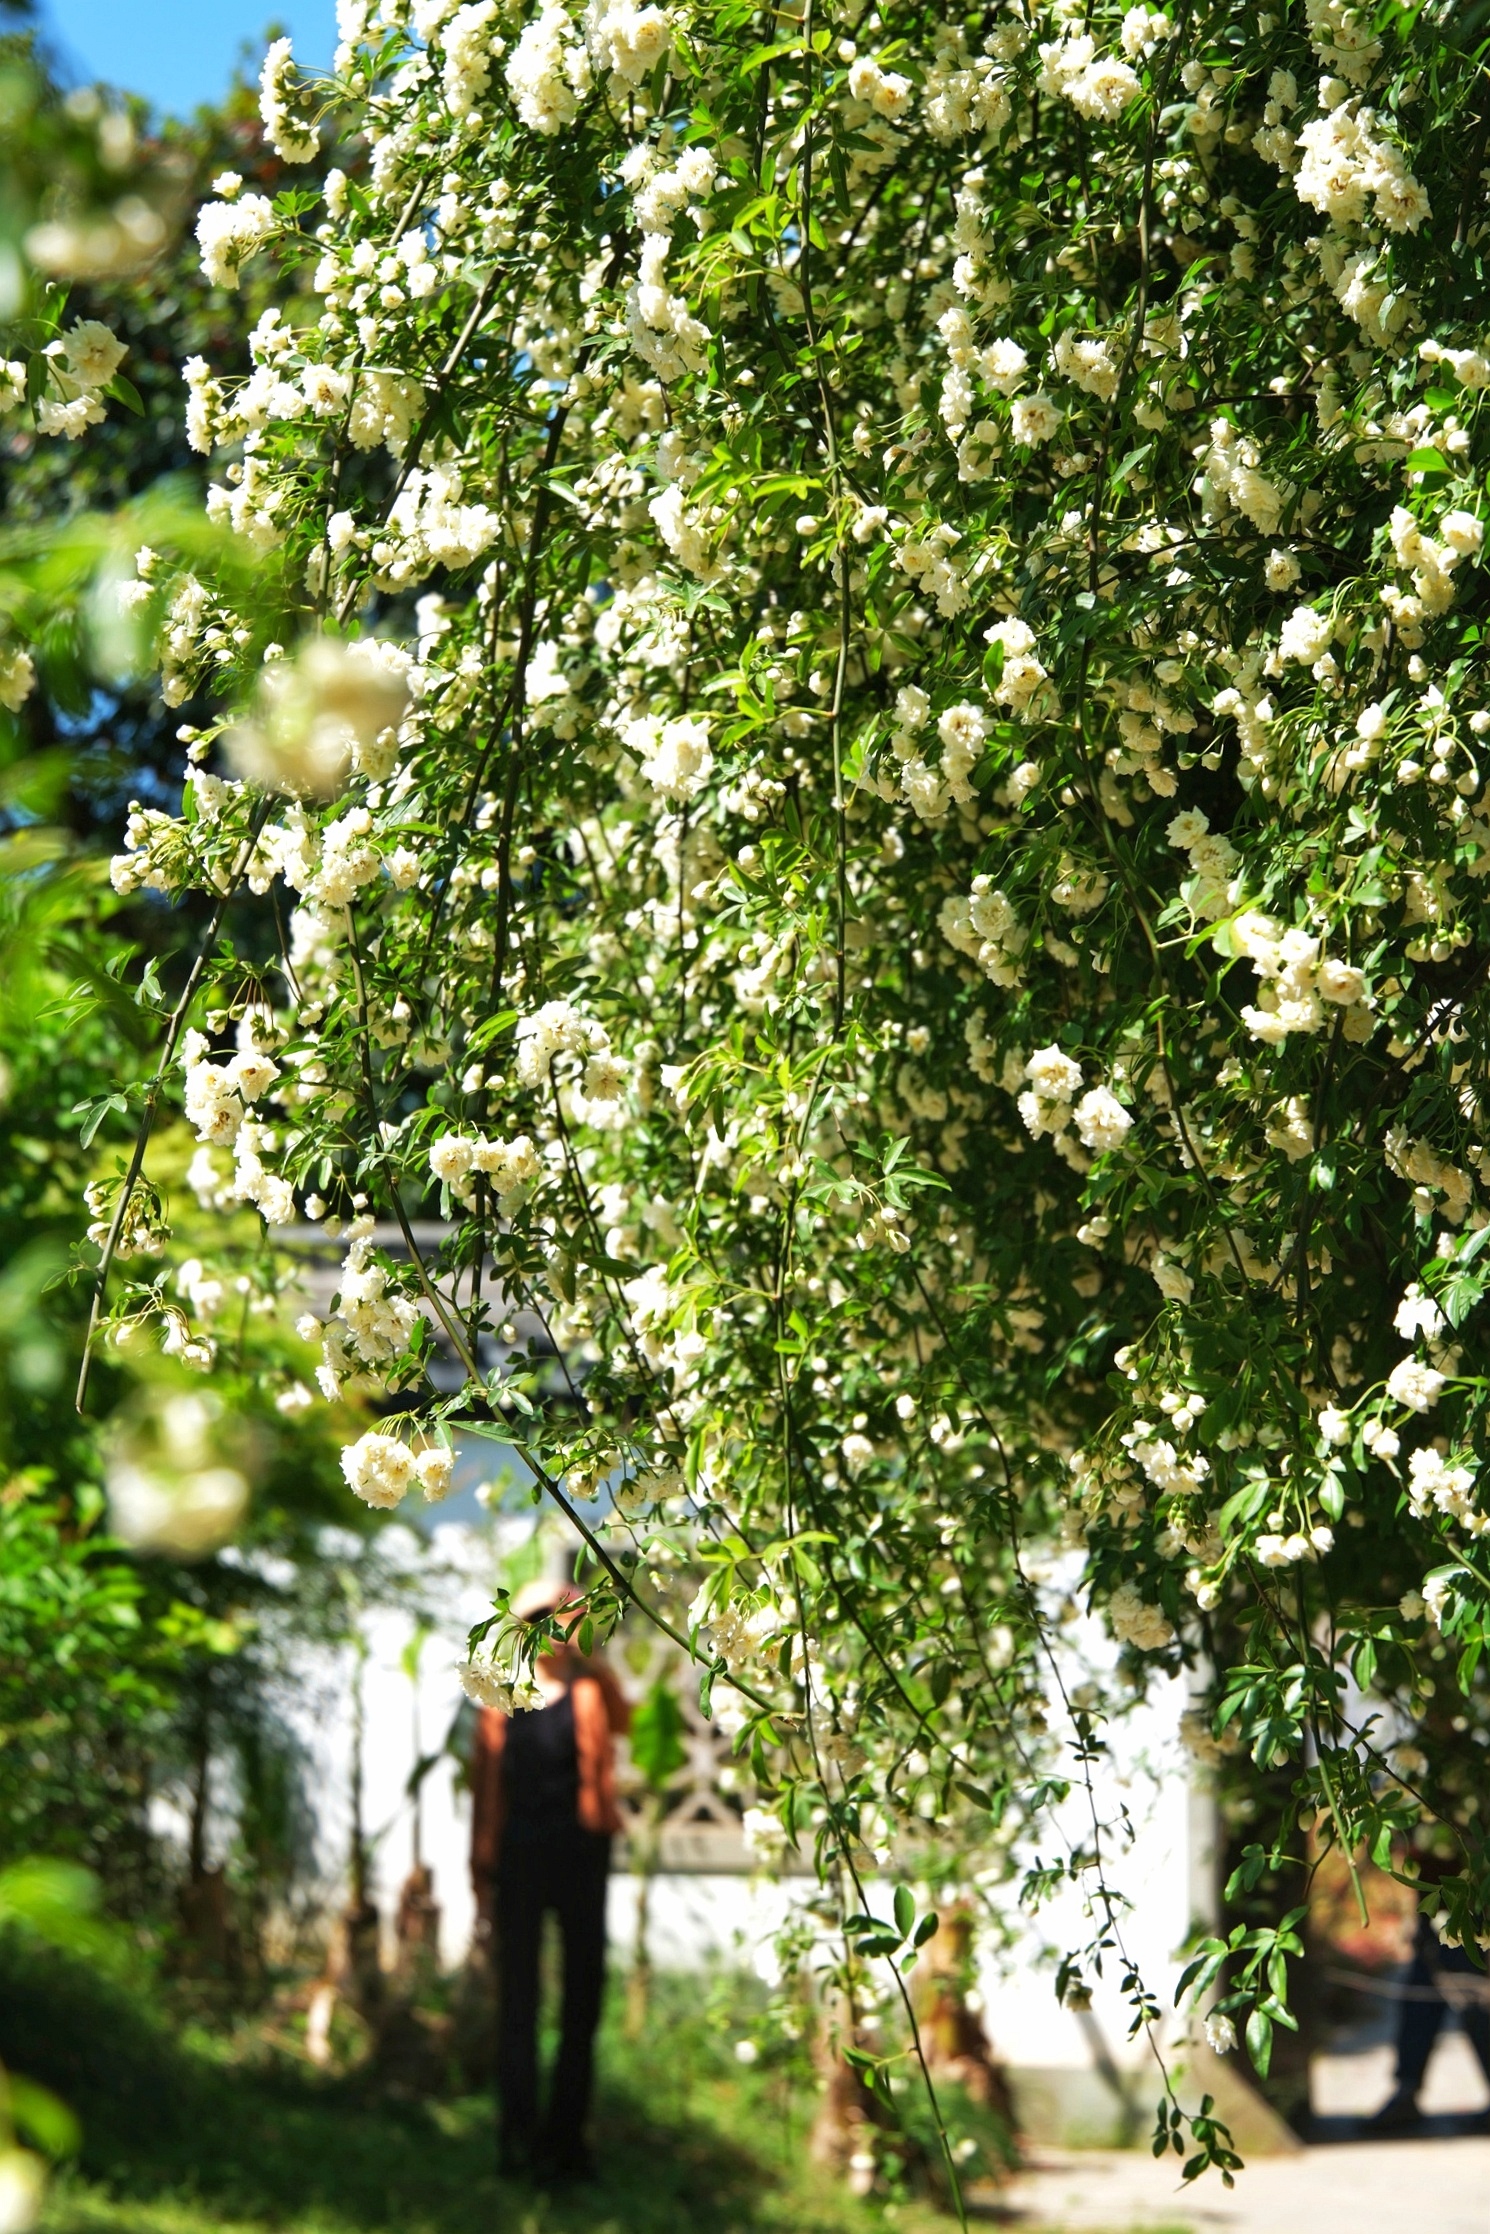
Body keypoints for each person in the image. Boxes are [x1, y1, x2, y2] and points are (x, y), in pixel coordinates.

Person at [470, 1577, 631, 2180]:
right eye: (543, 1615)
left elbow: (627, 1722)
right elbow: (486, 1792)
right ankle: (516, 2139)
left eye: (566, 1615)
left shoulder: (590, 1690)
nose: (555, 1626)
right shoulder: (500, 1698)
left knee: (582, 1997)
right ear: (523, 1624)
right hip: (519, 1861)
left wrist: (594, 1655)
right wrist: (480, 1870)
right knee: (518, 2000)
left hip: (582, 1858)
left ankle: (567, 2143)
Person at [1370, 1901, 1490, 2128]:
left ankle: (1406, 2092)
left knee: (1476, 2008)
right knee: (1419, 2003)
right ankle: (1406, 2091)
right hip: (1437, 1916)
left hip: (1470, 1913)